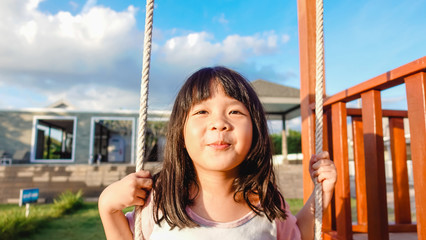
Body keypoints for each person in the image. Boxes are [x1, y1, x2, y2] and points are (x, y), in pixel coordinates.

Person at [98, 66, 337, 240]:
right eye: (202, 112)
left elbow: (298, 235)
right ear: (180, 133)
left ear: (256, 130)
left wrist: (322, 192)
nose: (219, 123)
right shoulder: (161, 200)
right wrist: (107, 206)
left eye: (235, 112)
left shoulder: (267, 203)